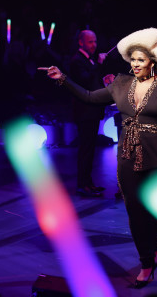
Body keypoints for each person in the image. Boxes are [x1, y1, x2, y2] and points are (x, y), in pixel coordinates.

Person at [40, 28, 157, 288]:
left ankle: (153, 245)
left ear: (152, 62)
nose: (135, 63)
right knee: (135, 210)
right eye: (133, 59)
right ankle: (146, 261)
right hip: (127, 153)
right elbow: (90, 97)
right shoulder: (120, 84)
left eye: (141, 59)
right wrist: (62, 79)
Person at [69, 30, 109, 197]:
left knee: (90, 149)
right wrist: (99, 64)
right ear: (81, 42)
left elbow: (93, 81)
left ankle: (88, 183)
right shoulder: (77, 60)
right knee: (85, 149)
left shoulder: (89, 60)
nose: (94, 45)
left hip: (92, 110)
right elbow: (84, 80)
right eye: (90, 42)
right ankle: (82, 184)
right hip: (84, 111)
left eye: (95, 41)